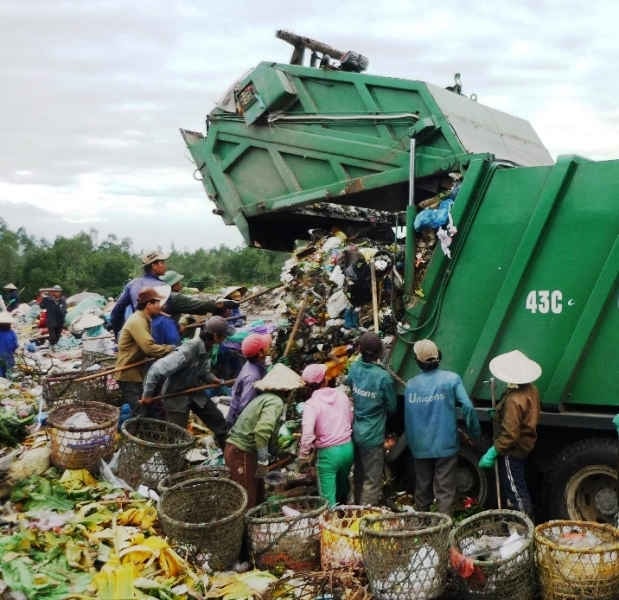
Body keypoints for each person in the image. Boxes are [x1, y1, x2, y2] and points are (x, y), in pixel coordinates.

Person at [404, 339, 481, 516]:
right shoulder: (451, 379)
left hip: (420, 447)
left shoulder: (410, 385)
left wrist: (413, 444)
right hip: (446, 446)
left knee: (422, 492)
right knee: (445, 493)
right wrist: (474, 433)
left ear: (418, 361)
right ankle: (443, 534)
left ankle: (421, 531)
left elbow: (408, 419)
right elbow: (468, 407)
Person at [140, 316, 232, 447]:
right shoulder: (187, 350)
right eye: (224, 336)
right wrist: (147, 395)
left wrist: (213, 379)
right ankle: (174, 463)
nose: (225, 339)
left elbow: (203, 371)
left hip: (194, 391)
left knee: (217, 420)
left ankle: (227, 450)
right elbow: (155, 370)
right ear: (216, 336)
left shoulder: (208, 347)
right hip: (175, 395)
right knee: (177, 436)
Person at [225, 363, 304, 508]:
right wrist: (263, 460)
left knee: (258, 494)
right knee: (248, 500)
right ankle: (245, 530)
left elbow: (270, 435)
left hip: (246, 452)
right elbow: (262, 432)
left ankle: (254, 528)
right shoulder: (275, 402)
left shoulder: (266, 398)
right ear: (286, 390)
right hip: (241, 452)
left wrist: (278, 452)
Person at [478, 350, 542, 517]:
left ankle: (524, 528)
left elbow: (510, 434)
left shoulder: (514, 399)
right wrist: (499, 412)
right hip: (526, 444)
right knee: (519, 485)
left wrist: (493, 451)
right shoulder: (531, 389)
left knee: (515, 491)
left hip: (512, 450)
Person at [345, 332, 397, 505]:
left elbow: (350, 385)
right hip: (373, 436)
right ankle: (365, 518)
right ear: (380, 352)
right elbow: (392, 407)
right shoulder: (383, 377)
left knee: (359, 474)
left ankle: (355, 510)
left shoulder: (354, 368)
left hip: (356, 431)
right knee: (372, 480)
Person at [300, 363, 354, 507]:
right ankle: (346, 518)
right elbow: (350, 418)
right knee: (343, 491)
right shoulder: (341, 395)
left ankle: (332, 525)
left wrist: (303, 456)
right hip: (348, 449)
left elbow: (307, 435)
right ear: (325, 379)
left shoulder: (311, 404)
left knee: (328, 500)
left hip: (329, 455)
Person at [115, 288, 175, 416]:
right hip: (128, 374)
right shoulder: (137, 321)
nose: (161, 306)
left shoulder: (144, 318)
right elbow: (149, 348)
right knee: (140, 411)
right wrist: (170, 349)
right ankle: (136, 433)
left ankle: (141, 431)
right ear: (149, 304)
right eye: (158, 303)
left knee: (147, 408)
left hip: (137, 371)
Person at [110, 251, 170, 337]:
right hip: (158, 336)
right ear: (154, 266)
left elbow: (115, 314)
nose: (165, 266)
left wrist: (118, 336)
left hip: (138, 333)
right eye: (162, 263)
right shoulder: (163, 286)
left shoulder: (132, 284)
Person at [225, 333, 271, 429]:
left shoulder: (253, 363)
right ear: (261, 353)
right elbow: (245, 406)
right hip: (240, 422)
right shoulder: (253, 377)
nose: (270, 345)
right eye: (266, 345)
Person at [0, 312, 18, 378]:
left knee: (1, 376)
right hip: (8, 356)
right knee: (10, 374)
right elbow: (15, 345)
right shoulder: (11, 332)